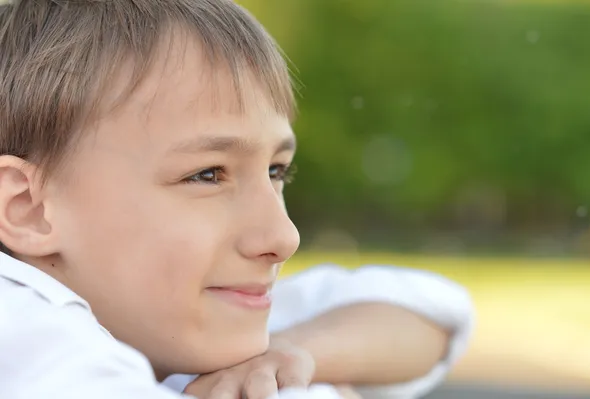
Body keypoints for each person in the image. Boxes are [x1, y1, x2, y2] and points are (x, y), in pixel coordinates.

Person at [0, 1, 473, 398]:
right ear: (28, 208)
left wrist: (292, 353)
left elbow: (431, 318)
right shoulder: (23, 334)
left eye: (276, 171)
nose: (283, 237)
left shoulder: (173, 320)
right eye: (207, 174)